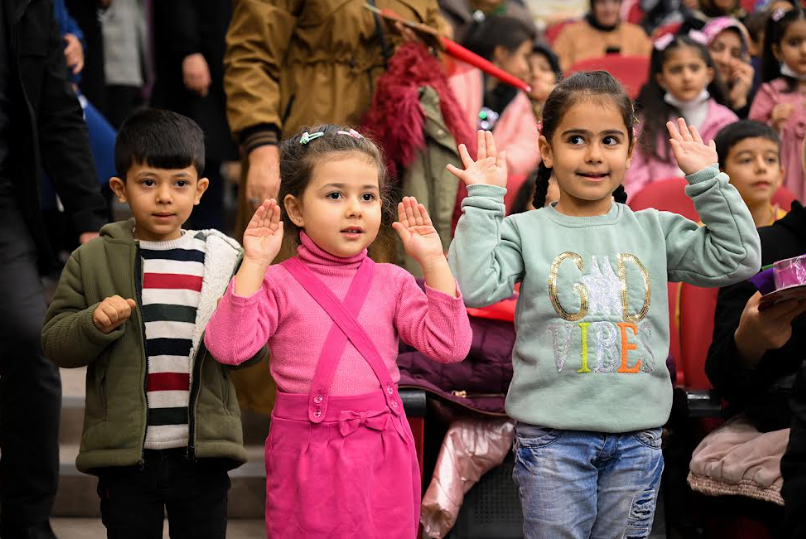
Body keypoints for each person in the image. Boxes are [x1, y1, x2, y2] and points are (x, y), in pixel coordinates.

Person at [446, 71, 761, 538]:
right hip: (552, 441)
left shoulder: (654, 229)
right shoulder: (524, 230)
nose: (594, 155)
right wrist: (485, 199)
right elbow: (473, 286)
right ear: (547, 150)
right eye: (576, 139)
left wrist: (708, 181)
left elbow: (738, 256)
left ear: (630, 151)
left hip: (638, 441)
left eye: (610, 140)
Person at [203, 125, 472, 538]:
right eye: (335, 195)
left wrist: (434, 262)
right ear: (295, 210)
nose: (355, 209)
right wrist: (254, 264)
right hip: (306, 452)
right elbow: (229, 348)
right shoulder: (276, 282)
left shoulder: (394, 281)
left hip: (385, 447)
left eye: (367, 196)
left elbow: (450, 345)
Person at [41, 110, 265, 539]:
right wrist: (93, 323)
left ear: (200, 190)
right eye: (148, 183)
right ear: (120, 189)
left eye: (179, 183)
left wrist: (244, 300)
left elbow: (253, 350)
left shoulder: (223, 260)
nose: (164, 197)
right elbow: (54, 342)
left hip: (203, 455)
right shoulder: (92, 260)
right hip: (127, 458)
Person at [0, 0, 108, 536]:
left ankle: (26, 522)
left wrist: (89, 220)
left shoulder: (32, 6)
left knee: (27, 338)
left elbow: (58, 111)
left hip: (4, 202)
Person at [224, 0, 444, 235]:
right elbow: (251, 56)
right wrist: (261, 146)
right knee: (289, 255)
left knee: (380, 259)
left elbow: (438, 43)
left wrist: (422, 50)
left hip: (392, 146)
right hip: (303, 144)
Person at [151, 0, 238, 231]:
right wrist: (189, 50)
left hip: (217, 62)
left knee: (209, 161)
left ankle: (208, 239)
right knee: (187, 154)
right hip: (190, 69)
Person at [449, 15, 540, 210]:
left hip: (491, 184)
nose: (526, 68)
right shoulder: (460, 78)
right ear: (501, 53)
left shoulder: (517, 97)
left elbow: (529, 147)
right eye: (524, 56)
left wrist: (493, 163)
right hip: (452, 178)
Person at [627, 33, 737, 194]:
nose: (687, 77)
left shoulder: (727, 121)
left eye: (694, 68)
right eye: (676, 70)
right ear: (661, 80)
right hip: (657, 209)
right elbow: (634, 175)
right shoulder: (645, 124)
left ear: (709, 74)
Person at [749, 5, 806, 202]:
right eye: (794, 42)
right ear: (777, 50)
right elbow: (751, 139)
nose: (804, 50)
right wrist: (773, 126)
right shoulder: (770, 93)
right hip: (785, 178)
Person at [714, 120, 787, 226]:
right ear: (721, 175)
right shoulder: (705, 236)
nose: (761, 167)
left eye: (770, 159)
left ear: (780, 175)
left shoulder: (796, 230)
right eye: (746, 160)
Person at [552, 0, 653, 71]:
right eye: (602, 2)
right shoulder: (570, 34)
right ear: (593, 6)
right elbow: (558, 71)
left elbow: (649, 69)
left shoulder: (636, 34)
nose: (609, 9)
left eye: (615, 2)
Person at [703, 17, 757, 117]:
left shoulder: (751, 97)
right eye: (717, 48)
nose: (725, 60)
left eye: (735, 54)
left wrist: (739, 102)